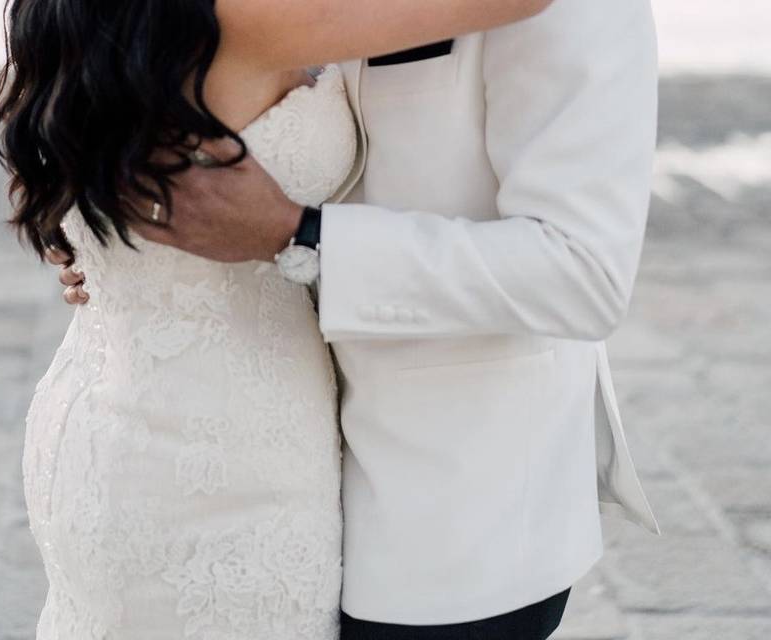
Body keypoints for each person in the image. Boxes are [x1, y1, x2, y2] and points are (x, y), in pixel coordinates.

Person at [53, 1, 663, 638]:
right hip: (213, 459)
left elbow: (582, 271)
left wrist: (306, 237)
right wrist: (105, 240)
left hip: (451, 496)